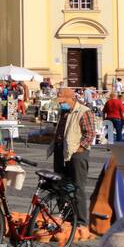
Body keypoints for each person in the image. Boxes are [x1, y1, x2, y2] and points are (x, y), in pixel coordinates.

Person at [50, 87, 94, 228]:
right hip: (61, 151)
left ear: (72, 98)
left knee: (77, 186)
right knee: (60, 184)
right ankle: (67, 216)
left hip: (76, 153)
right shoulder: (64, 112)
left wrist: (79, 149)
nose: (61, 103)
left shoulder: (84, 111)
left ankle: (80, 220)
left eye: (63, 101)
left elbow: (90, 133)